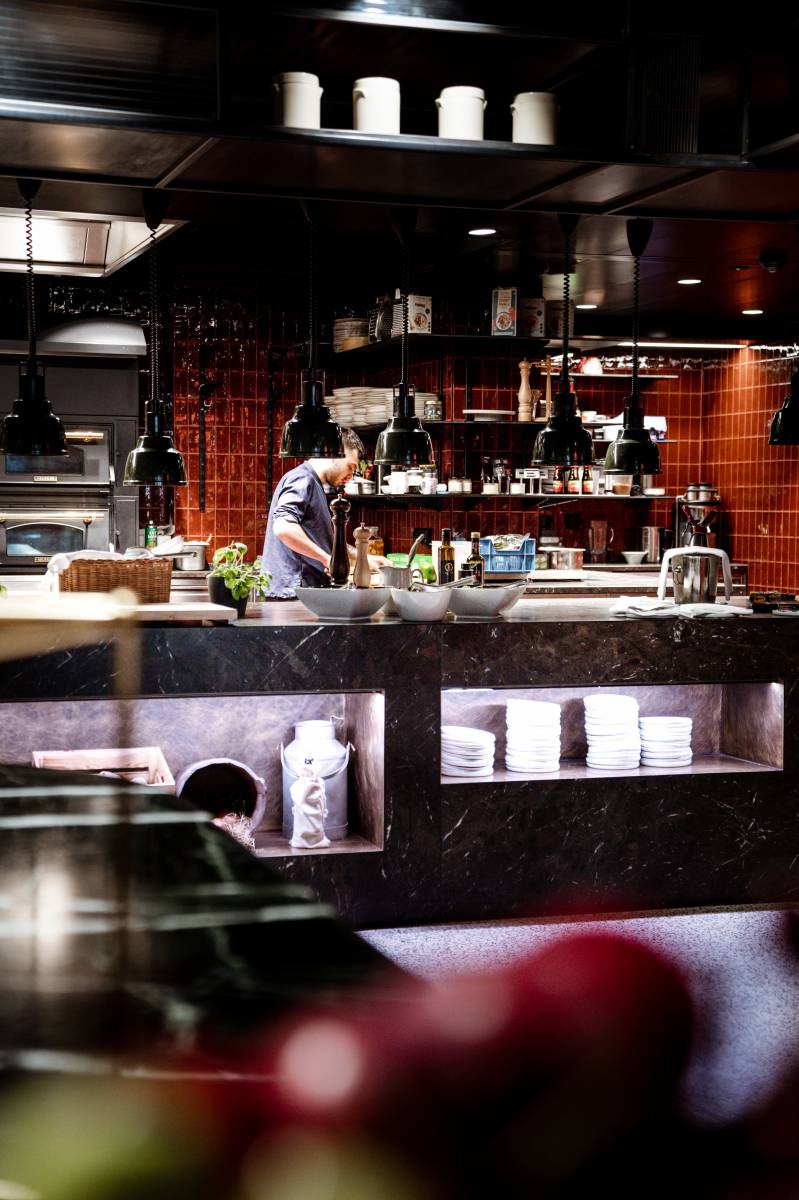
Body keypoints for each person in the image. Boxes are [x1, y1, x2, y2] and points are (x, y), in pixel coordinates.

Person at [262, 428, 387, 597]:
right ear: (334, 454)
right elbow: (283, 527)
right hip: (295, 593)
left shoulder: (313, 483)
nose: (351, 475)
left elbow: (326, 542)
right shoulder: (303, 479)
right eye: (350, 467)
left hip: (303, 592)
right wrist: (326, 559)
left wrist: (364, 557)